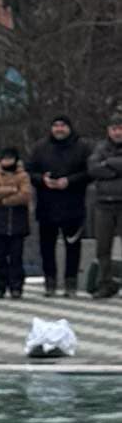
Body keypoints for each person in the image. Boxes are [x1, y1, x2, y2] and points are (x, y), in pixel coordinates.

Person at [28, 115, 92, 297]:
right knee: (46, 247)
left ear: (70, 128)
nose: (59, 129)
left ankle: (71, 283)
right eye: (55, 125)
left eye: (63, 126)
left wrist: (69, 181)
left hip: (73, 205)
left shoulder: (82, 147)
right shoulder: (40, 147)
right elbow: (30, 171)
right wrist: (43, 180)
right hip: (47, 205)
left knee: (73, 246)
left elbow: (90, 172)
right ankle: (50, 282)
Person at [0, 147, 32, 299]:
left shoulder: (23, 175)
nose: (7, 161)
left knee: (16, 257)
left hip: (18, 221)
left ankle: (16, 286)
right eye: (5, 158)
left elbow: (25, 194)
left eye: (10, 158)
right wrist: (11, 189)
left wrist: (4, 200)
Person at [90, 110, 122, 298]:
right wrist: (115, 169)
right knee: (103, 247)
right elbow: (93, 168)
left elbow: (103, 167)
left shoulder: (104, 155)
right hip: (103, 204)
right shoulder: (100, 147)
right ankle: (105, 282)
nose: (117, 132)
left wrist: (108, 164)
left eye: (120, 129)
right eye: (114, 129)